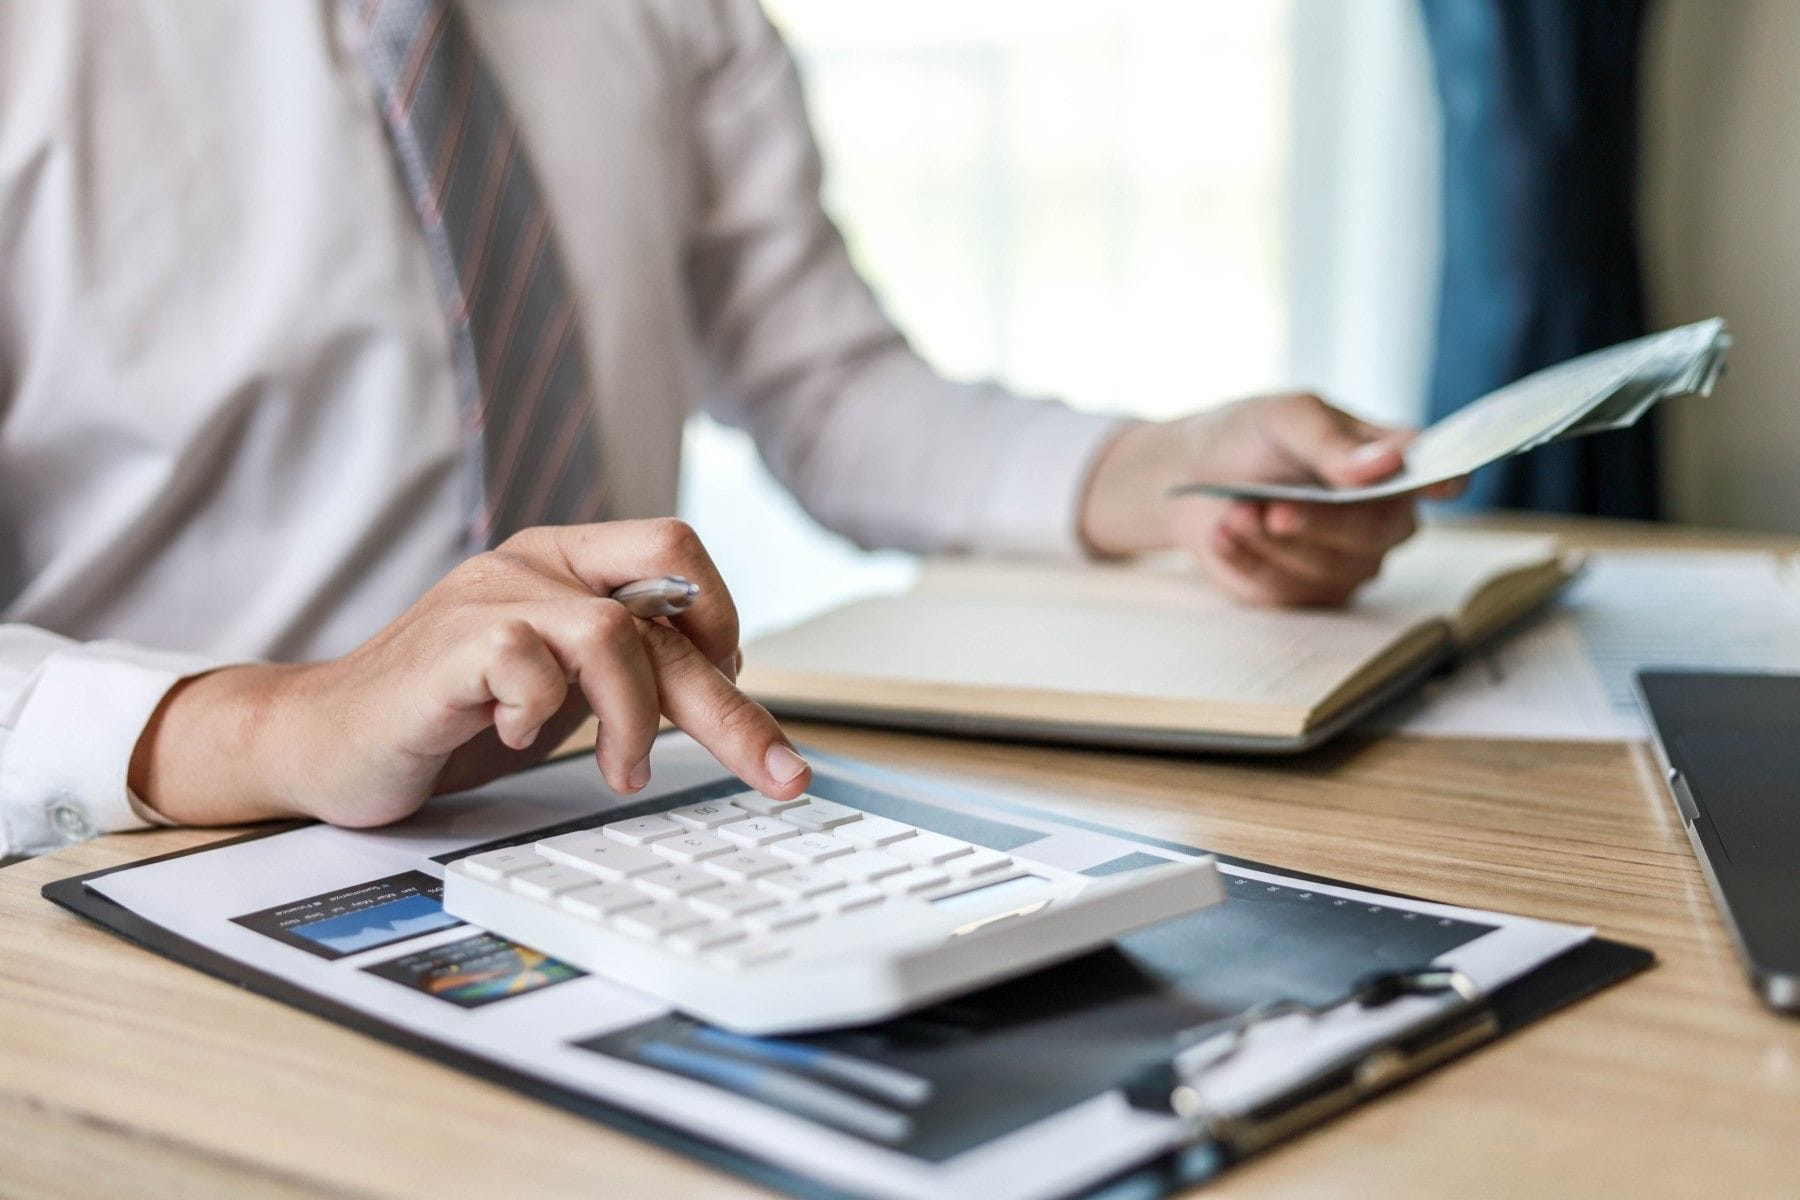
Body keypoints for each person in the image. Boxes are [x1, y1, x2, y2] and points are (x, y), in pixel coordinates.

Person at [0, 0, 1433, 860]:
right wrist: (286, 724)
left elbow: (832, 390)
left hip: (598, 818)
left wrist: (1177, 475)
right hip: (145, 858)